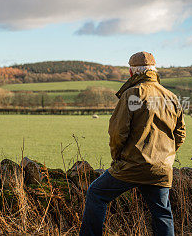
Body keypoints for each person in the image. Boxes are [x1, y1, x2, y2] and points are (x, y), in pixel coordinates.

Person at [79, 51, 186, 236]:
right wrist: (164, 157)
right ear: (154, 70)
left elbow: (117, 133)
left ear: (131, 72)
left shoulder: (133, 94)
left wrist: (118, 157)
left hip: (132, 165)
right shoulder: (171, 97)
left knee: (96, 193)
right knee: (162, 213)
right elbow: (180, 134)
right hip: (161, 169)